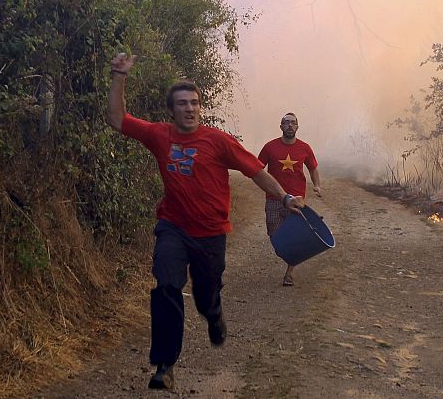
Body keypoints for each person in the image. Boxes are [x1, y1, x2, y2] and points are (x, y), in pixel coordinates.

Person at [105, 53, 305, 390]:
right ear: (171, 110)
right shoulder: (159, 135)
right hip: (173, 227)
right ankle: (165, 366)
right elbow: (116, 118)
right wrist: (118, 75)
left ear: (201, 107)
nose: (190, 108)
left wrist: (284, 197)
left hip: (211, 233)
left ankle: (214, 314)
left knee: (205, 295)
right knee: (167, 286)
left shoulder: (218, 141)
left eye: (195, 103)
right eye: (182, 103)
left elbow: (256, 172)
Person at [258, 112, 322, 287]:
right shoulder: (270, 147)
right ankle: (287, 255)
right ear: (281, 126)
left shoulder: (304, 148)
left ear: (297, 126)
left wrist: (317, 185)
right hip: (274, 198)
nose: (290, 126)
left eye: (293, 123)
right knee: (275, 235)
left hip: (297, 199)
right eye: (286, 123)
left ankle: (289, 273)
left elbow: (313, 168)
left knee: (295, 235)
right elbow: (257, 168)